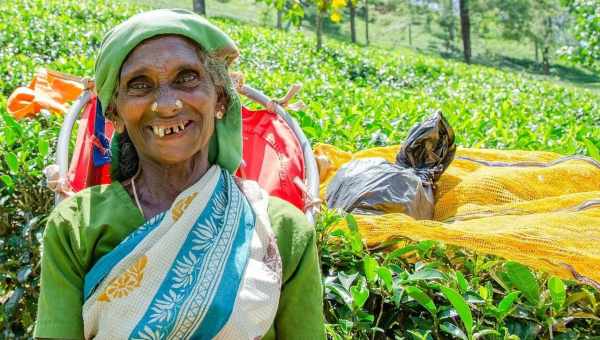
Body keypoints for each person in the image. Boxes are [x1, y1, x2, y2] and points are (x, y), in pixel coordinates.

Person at [34, 9, 325, 339]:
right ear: (115, 113)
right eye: (139, 85)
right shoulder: (77, 225)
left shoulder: (281, 228)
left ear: (220, 100)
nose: (167, 104)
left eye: (186, 78)